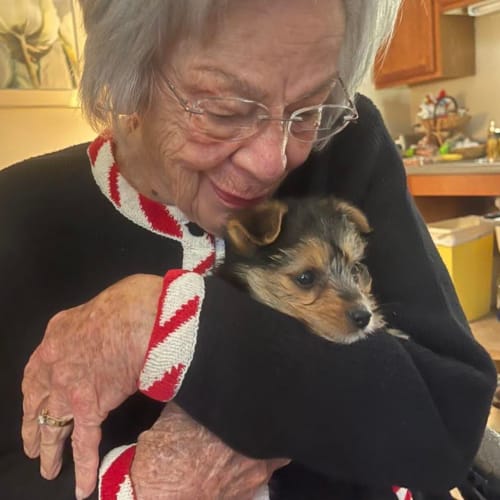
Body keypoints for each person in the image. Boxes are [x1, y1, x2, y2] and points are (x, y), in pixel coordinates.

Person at [0, 0, 496, 499]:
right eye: (224, 110)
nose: (273, 160)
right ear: (130, 75)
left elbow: (447, 419)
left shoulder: (344, 143)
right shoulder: (19, 215)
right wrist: (140, 489)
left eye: (309, 107)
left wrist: (168, 324)